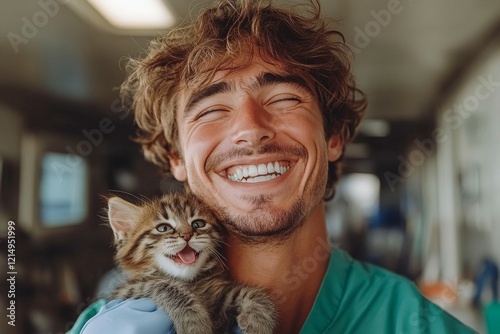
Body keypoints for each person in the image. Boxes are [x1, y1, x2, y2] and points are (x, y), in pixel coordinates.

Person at [69, 0, 476, 333]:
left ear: (332, 137)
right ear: (177, 158)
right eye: (211, 110)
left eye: (283, 99)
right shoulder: (106, 326)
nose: (250, 130)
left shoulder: (419, 326)